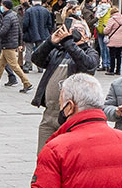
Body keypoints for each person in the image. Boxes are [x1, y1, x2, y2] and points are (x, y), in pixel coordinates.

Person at [30, 21, 98, 150]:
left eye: (80, 29)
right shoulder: (58, 51)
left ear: (86, 37)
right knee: (43, 153)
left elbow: (87, 66)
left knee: (66, 154)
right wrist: (50, 42)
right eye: (73, 28)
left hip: (71, 116)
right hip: (50, 114)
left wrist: (68, 41)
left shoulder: (90, 53)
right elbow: (36, 59)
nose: (75, 31)